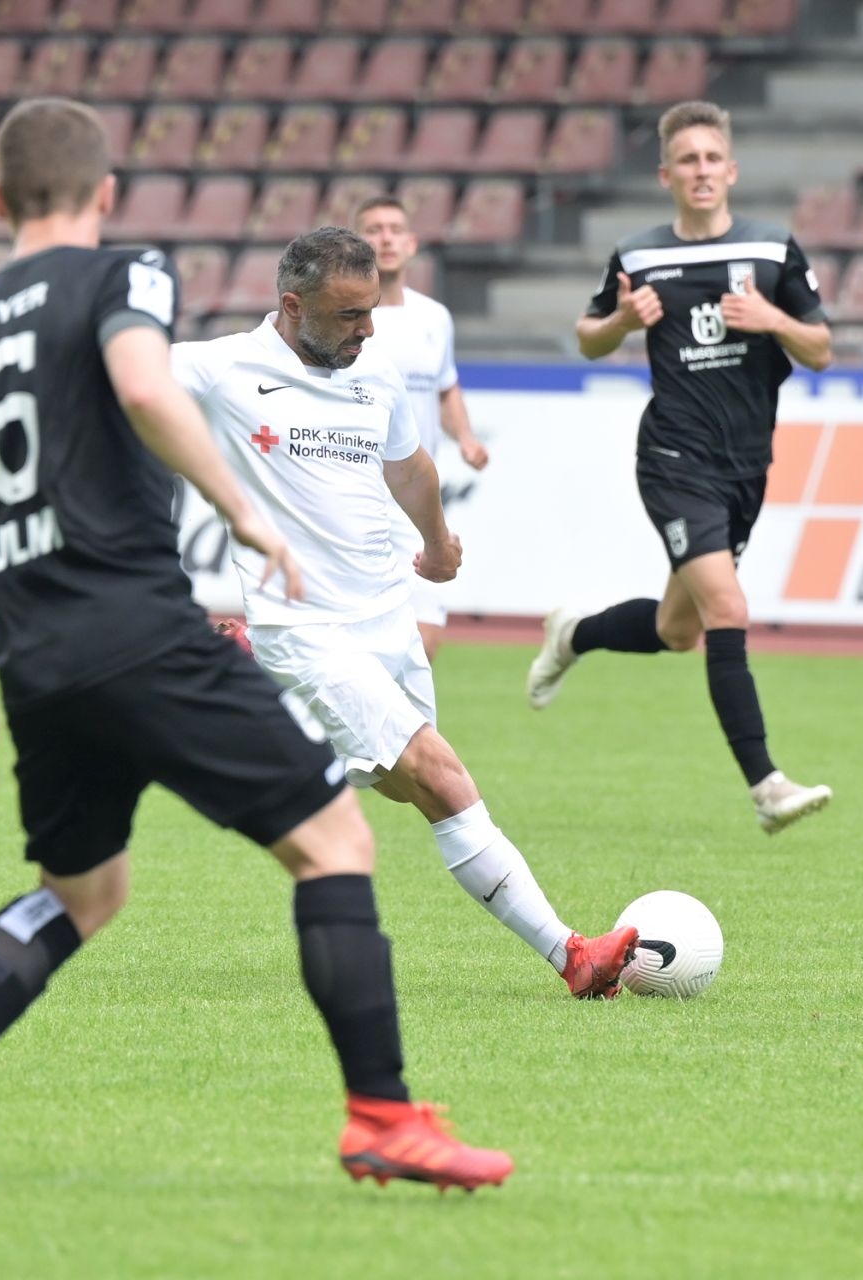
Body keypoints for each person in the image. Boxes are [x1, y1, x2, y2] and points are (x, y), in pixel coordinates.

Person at [0, 98, 510, 1195]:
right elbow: (139, 381)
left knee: (82, 894)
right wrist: (243, 512)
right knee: (336, 842)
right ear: (107, 193)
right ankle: (383, 1117)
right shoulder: (126, 274)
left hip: (31, 657)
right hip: (138, 630)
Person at [178, 227, 638, 1002]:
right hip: (305, 626)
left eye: (371, 310)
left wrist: (437, 543)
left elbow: (411, 466)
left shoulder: (375, 368)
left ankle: (258, 697)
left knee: (407, 786)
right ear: (292, 306)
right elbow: (110, 369)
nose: (368, 328)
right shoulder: (221, 368)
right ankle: (573, 955)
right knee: (442, 776)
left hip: (386, 616)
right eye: (349, 314)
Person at [528, 100, 833, 835]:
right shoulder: (639, 255)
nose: (701, 170)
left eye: (711, 158)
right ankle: (767, 786)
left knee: (677, 629)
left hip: (745, 465)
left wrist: (773, 321)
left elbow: (820, 348)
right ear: (666, 175)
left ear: (731, 170)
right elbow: (589, 336)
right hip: (673, 456)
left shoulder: (772, 250)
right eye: (687, 160)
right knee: (728, 610)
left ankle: (575, 634)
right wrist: (621, 322)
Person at [352, 195, 490, 661]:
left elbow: (445, 388)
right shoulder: (343, 320)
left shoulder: (434, 318)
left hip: (415, 498)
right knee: (359, 642)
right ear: (356, 244)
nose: (386, 239)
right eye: (374, 229)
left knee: (423, 642)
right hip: (357, 495)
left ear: (411, 244)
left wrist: (465, 437)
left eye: (395, 229)